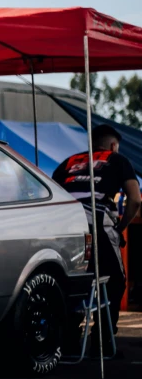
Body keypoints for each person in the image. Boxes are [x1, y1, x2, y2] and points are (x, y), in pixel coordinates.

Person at [52, 124, 141, 351]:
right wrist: (121, 226)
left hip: (63, 224)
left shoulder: (68, 162)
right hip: (97, 219)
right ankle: (102, 343)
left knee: (70, 279)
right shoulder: (118, 160)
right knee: (113, 281)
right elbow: (135, 199)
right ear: (113, 145)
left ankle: (68, 338)